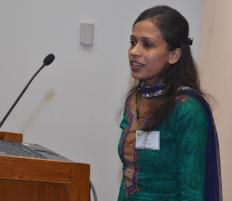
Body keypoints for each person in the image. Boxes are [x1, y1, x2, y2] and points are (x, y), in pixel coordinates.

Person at [117, 5, 222, 201]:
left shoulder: (187, 109)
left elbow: (192, 191)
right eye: (133, 42)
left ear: (174, 55)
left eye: (147, 45)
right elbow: (129, 178)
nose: (134, 51)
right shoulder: (134, 100)